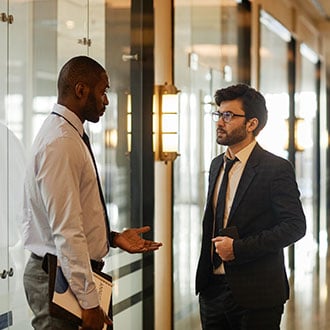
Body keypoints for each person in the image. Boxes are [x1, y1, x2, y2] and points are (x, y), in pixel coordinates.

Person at [22, 55, 162, 330]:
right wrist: (88, 303)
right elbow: (66, 229)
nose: (106, 100)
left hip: (67, 274)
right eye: (103, 91)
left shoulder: (69, 135)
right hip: (58, 281)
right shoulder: (61, 143)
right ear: (81, 90)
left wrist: (111, 238)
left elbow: (71, 217)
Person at [195, 83, 306, 330]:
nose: (219, 122)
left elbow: (295, 226)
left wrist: (239, 249)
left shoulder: (275, 168)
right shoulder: (217, 165)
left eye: (228, 116)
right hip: (212, 291)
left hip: (257, 294)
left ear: (251, 124)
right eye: (218, 114)